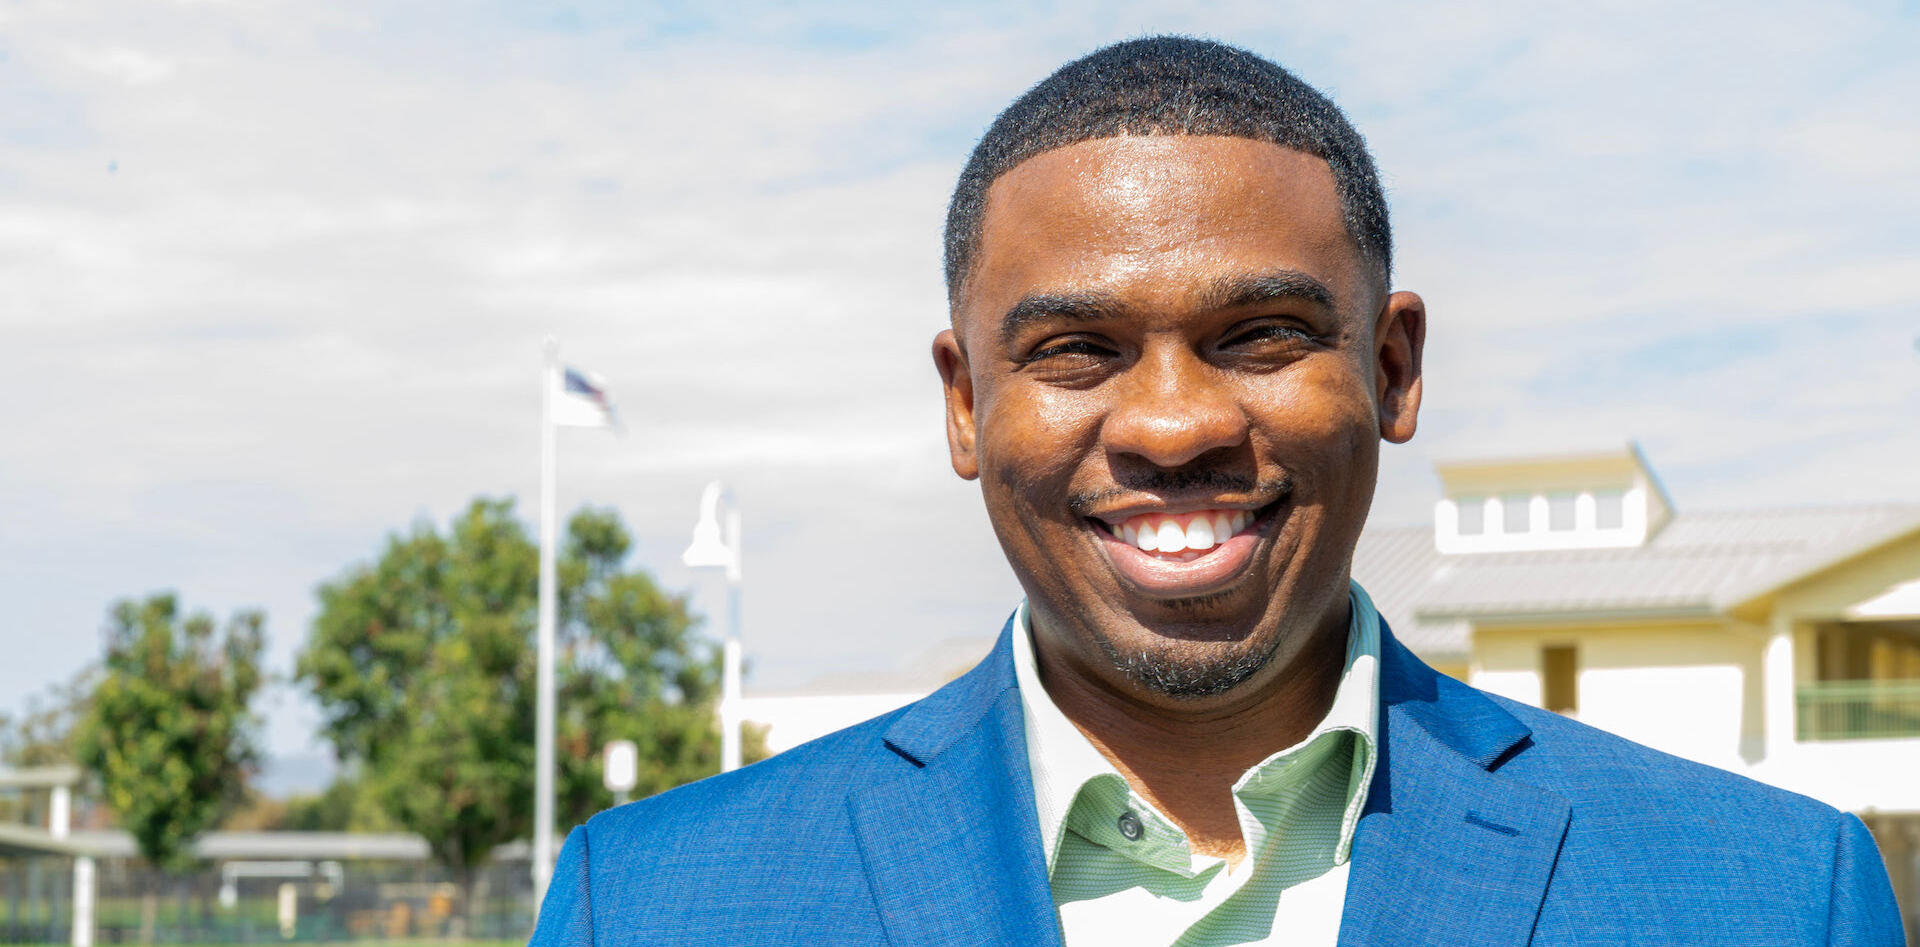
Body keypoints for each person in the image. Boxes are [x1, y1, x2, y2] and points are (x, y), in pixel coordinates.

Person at [529, 36, 1903, 946]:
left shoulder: (1772, 898)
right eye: (1077, 351)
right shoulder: (653, 904)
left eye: (1260, 337)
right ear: (964, 402)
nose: (1177, 423)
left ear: (1393, 365)